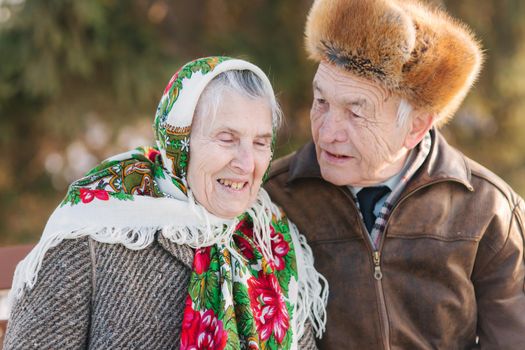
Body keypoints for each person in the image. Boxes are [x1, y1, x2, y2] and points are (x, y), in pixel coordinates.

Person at [4, 57, 327, 350]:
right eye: (227, 139)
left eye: (259, 142)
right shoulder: (96, 228)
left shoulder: (270, 241)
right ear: (180, 143)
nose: (246, 162)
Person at [265, 0, 525, 349]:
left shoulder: (489, 210)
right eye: (321, 102)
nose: (327, 133)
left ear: (416, 127)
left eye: (356, 114)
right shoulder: (273, 201)